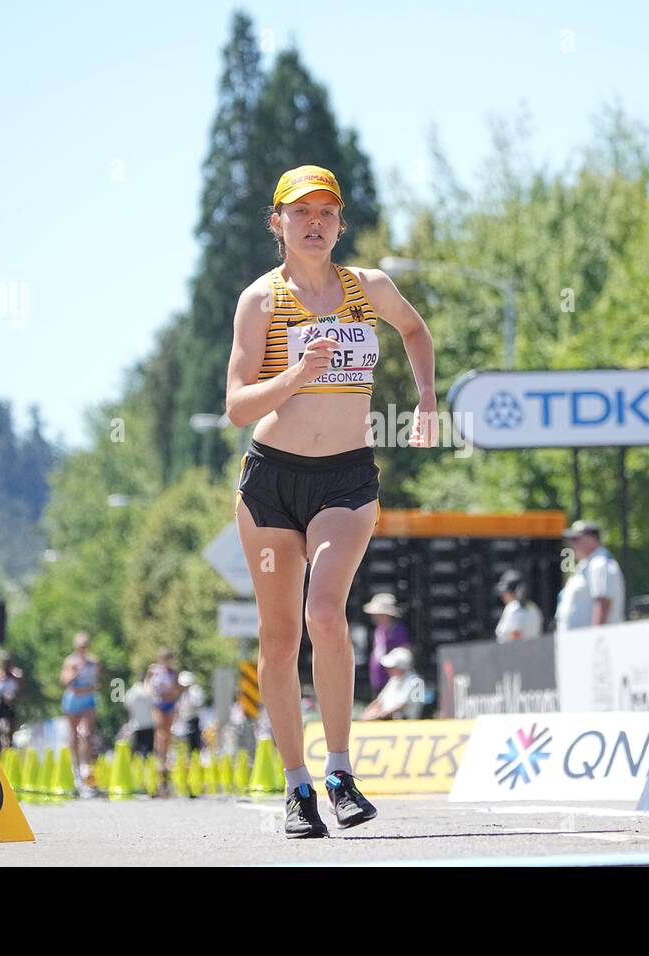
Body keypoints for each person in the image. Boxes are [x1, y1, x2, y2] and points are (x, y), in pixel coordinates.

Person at [225, 164, 437, 838]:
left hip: (346, 479)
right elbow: (235, 406)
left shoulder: (367, 288)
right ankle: (296, 787)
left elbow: (417, 332)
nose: (315, 224)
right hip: (271, 482)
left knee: (326, 611)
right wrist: (297, 374)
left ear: (341, 224)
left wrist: (428, 396)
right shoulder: (260, 301)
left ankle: (341, 772)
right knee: (280, 636)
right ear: (277, 223)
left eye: (327, 213)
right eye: (301, 213)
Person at [556, 520, 626, 631]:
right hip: (576, 641)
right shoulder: (588, 563)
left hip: (589, 642)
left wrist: (595, 638)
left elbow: (603, 602)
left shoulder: (600, 563)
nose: (572, 544)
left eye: (576, 539)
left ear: (592, 539)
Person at [59, 632, 100, 789]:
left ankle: (85, 767)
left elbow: (96, 682)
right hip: (73, 699)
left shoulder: (93, 662)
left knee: (87, 734)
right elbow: (64, 681)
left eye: (86, 646)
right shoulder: (70, 661)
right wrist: (74, 673)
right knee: (74, 735)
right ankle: (75, 767)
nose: (84, 648)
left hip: (88, 698)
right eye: (81, 646)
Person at [146, 648, 182, 797]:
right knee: (160, 731)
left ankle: (165, 755)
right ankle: (160, 756)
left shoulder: (173, 673)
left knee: (167, 732)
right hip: (158, 703)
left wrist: (172, 691)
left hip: (170, 703)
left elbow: (176, 690)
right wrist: (150, 693)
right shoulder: (153, 671)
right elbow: (147, 685)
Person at [363, 592, 411, 693]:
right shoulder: (378, 630)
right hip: (378, 680)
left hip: (392, 681)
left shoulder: (398, 630)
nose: (374, 617)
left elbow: (406, 654)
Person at [360, 647, 425, 721]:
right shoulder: (394, 680)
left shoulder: (416, 681)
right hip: (387, 720)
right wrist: (366, 713)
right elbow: (380, 701)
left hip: (404, 723)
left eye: (392, 667)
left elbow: (402, 706)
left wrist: (378, 716)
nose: (388, 669)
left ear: (401, 667)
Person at [494, 570, 544, 642]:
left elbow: (515, 635)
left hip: (515, 651)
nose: (502, 596)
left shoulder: (513, 608)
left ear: (513, 591)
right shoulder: (534, 608)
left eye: (505, 592)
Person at [0, 653, 24, 750]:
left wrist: (14, 695)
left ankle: (10, 744)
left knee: (12, 724)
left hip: (11, 702)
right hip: (0, 701)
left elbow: (21, 688)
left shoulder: (16, 675)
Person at [124, 669, 155, 758]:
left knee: (137, 749)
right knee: (147, 750)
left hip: (136, 724)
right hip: (148, 724)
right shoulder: (148, 691)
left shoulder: (131, 691)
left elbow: (127, 706)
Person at [176, 671, 206, 756]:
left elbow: (198, 704)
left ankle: (193, 757)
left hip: (193, 719)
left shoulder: (195, 691)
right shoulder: (182, 693)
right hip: (184, 719)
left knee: (193, 741)